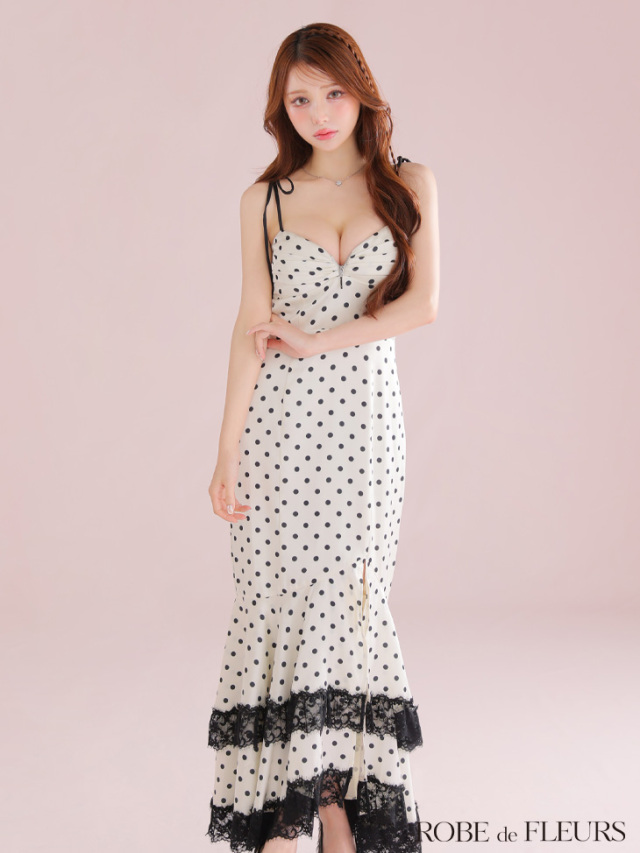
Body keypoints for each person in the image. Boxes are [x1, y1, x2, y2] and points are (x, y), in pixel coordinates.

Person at [206, 21, 439, 853]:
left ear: (362, 90)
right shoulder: (265, 200)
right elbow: (249, 326)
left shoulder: (408, 182)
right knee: (283, 608)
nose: (320, 113)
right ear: (282, 109)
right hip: (280, 434)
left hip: (365, 433)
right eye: (300, 99)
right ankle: (305, 816)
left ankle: (334, 809)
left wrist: (319, 339)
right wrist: (226, 449)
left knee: (351, 605)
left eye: (334, 92)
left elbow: (423, 305)